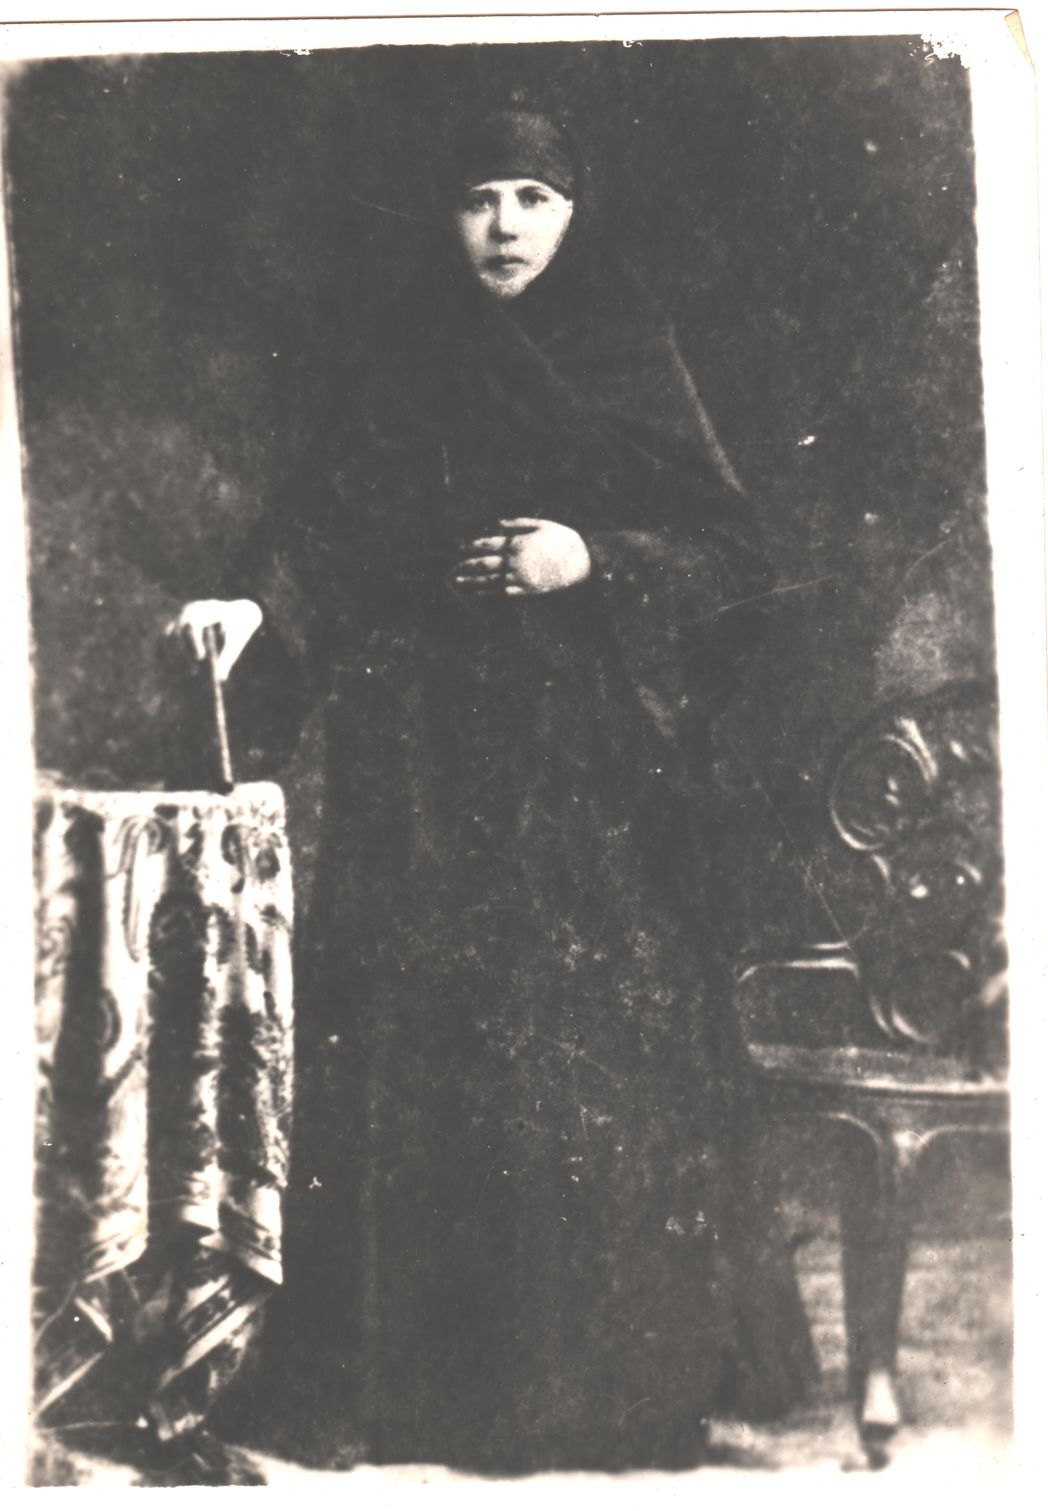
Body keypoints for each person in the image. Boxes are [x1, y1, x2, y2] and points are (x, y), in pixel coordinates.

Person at [171, 96, 817, 1473]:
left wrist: (593, 559)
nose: (505, 228)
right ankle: (420, 1391)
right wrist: (255, 606)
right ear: (445, 214)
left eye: (533, 198)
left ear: (574, 212)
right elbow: (331, 523)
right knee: (420, 1041)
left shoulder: (628, 344)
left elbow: (734, 560)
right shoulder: (411, 349)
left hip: (593, 770)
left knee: (579, 1051)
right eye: (479, 199)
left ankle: (600, 1397)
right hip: (427, 754)